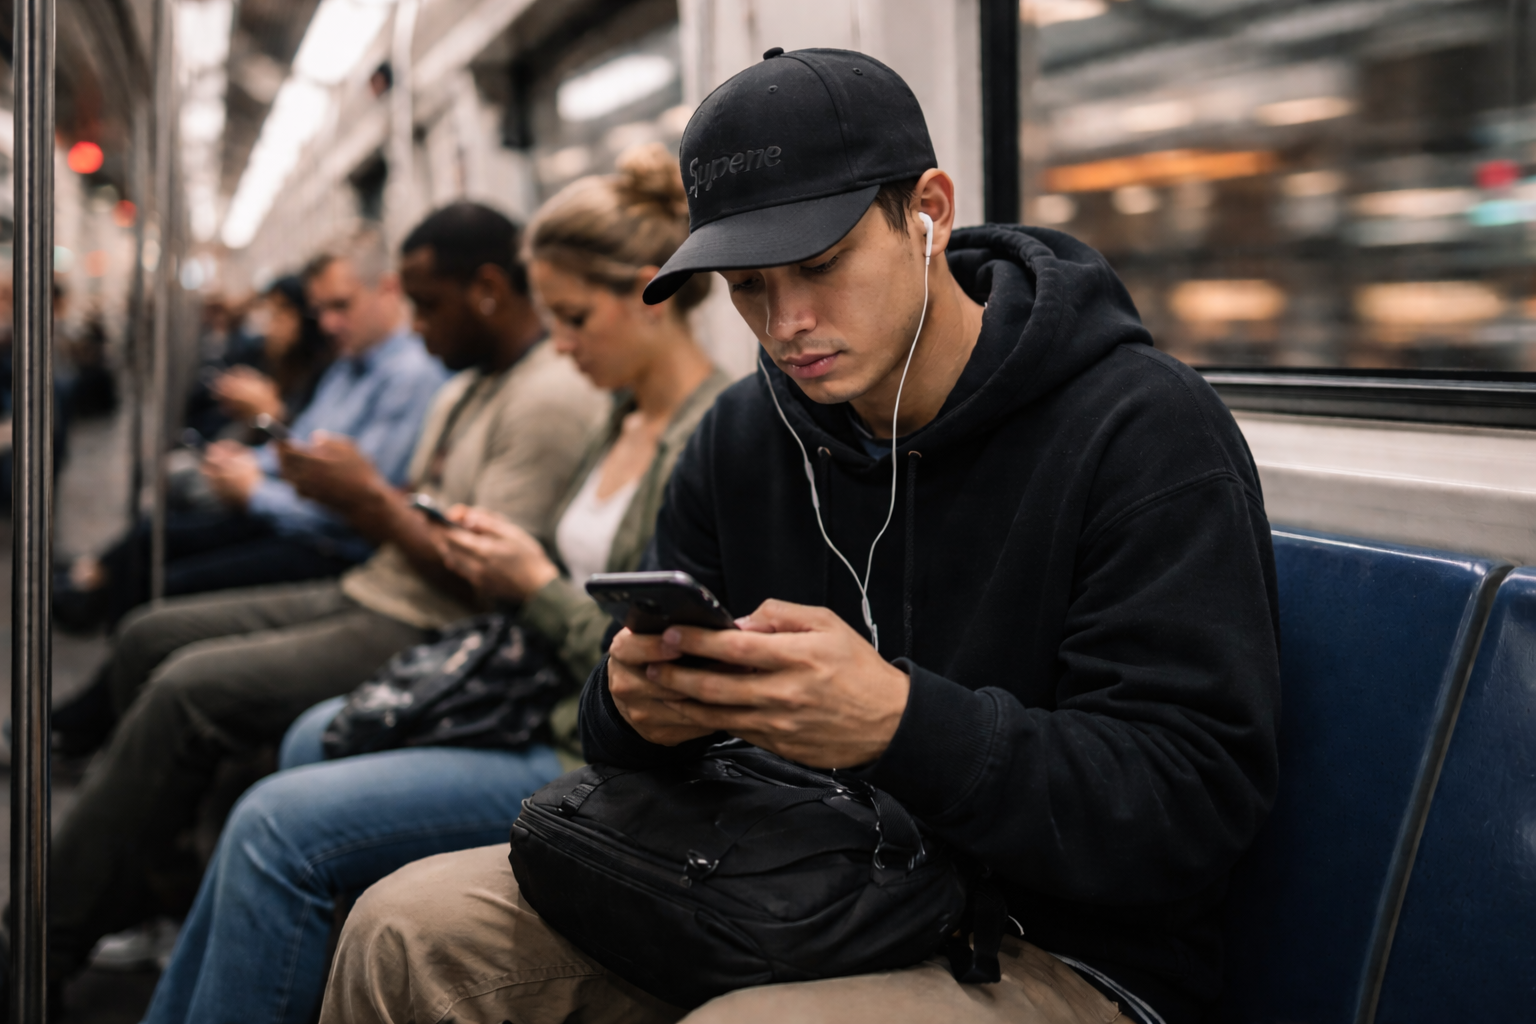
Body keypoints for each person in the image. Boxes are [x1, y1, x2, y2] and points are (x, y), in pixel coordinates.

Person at [322, 48, 1281, 1024]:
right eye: (747, 286)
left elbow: (1188, 799)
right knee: (401, 927)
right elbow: (622, 740)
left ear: (930, 212)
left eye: (820, 265)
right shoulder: (743, 436)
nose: (787, 325)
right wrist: (633, 706)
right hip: (786, 879)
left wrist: (903, 725)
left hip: (1056, 943)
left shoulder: (1141, 427)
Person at [139, 145, 731, 1024]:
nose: (559, 344)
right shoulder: (617, 414)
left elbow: (653, 651)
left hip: (590, 747)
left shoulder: (706, 438)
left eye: (571, 318)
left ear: (649, 291)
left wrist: (529, 581)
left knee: (274, 824)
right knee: (308, 739)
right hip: (536, 692)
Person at [36, 202, 607, 993]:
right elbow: (422, 501)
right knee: (150, 632)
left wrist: (366, 501)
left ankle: (41, 941)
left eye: (427, 305)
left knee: (187, 689)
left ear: (485, 290)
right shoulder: (468, 386)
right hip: (374, 586)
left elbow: (481, 577)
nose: (414, 324)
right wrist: (367, 494)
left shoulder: (545, 398)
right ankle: (134, 880)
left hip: (429, 623)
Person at [52, 257, 423, 638]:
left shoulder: (408, 376)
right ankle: (95, 594)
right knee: (154, 536)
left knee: (163, 588)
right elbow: (299, 452)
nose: (328, 323)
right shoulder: (347, 365)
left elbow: (349, 503)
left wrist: (255, 485)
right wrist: (249, 461)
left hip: (323, 541)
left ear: (388, 290)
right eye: (320, 311)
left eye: (341, 305)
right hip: (294, 514)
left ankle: (98, 606)